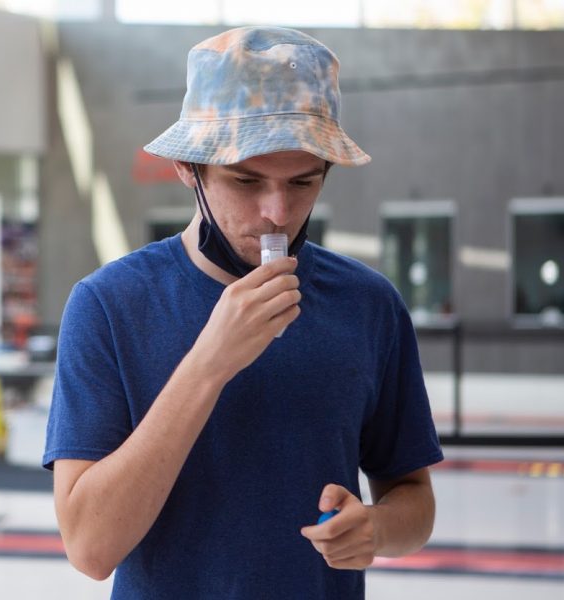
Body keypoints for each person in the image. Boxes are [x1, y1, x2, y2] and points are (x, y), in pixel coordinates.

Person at [44, 26, 443, 598]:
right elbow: (89, 548)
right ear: (189, 168)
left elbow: (415, 500)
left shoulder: (368, 303)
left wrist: (376, 529)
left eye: (302, 182)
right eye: (245, 181)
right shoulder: (109, 305)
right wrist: (209, 362)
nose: (276, 212)